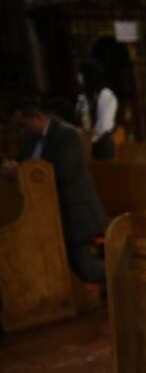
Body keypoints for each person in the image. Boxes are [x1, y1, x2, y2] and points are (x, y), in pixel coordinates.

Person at [3, 96, 107, 282]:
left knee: (85, 268)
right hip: (47, 216)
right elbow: (25, 165)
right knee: (59, 267)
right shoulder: (30, 140)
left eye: (23, 126)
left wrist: (18, 172)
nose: (21, 132)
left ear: (37, 117)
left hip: (74, 213)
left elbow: (61, 172)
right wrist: (13, 168)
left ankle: (124, 279)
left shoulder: (67, 135)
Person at [75, 59, 117, 160]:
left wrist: (88, 141)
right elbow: (82, 120)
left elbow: (103, 127)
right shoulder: (84, 97)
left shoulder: (106, 95)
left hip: (103, 145)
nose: (78, 78)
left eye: (81, 74)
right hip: (87, 143)